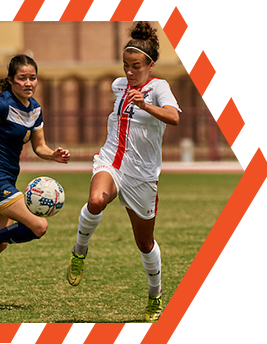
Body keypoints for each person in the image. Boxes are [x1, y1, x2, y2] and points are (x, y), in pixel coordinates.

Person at [66, 22, 181, 322]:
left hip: (142, 177)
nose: (129, 72)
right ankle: (79, 252)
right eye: (125, 66)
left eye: (136, 66)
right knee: (96, 201)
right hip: (111, 162)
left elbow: (174, 117)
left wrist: (147, 105)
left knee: (144, 243)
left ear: (150, 65)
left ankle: (154, 294)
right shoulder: (118, 86)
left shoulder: (159, 88)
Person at [0, 54, 70, 290]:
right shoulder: (2, 104)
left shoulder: (35, 109)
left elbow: (39, 146)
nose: (28, 83)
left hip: (7, 178)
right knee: (38, 227)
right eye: (22, 78)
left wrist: (53, 155)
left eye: (33, 78)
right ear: (10, 80)